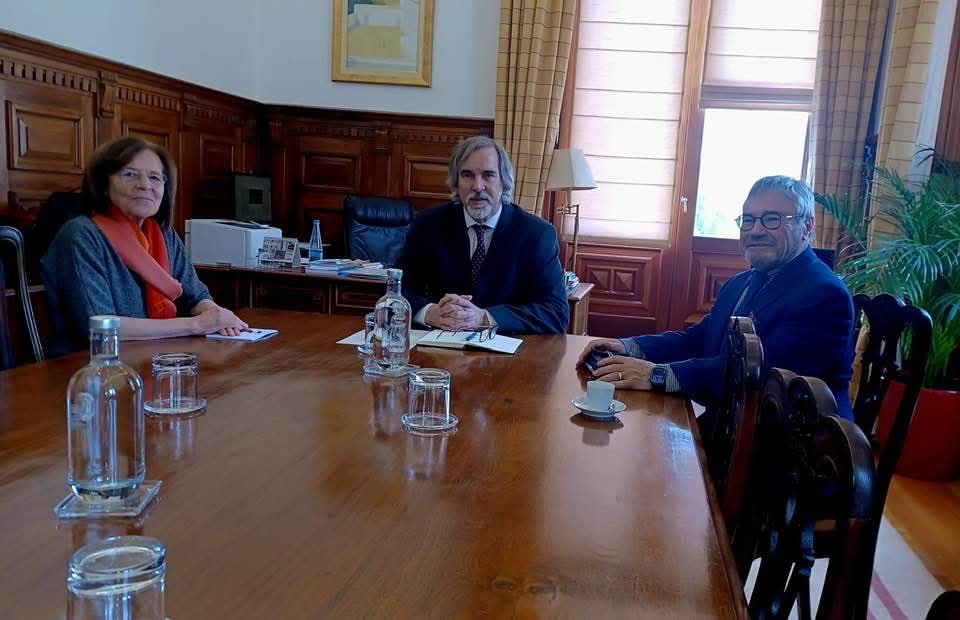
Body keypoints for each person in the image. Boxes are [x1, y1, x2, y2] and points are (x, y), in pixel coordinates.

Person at [577, 175, 856, 419]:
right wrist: (629, 346)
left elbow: (755, 375)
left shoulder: (824, 294)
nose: (755, 231)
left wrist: (655, 374)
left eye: (772, 219)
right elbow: (699, 340)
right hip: (730, 426)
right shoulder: (740, 282)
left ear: (807, 226)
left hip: (787, 450)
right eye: (748, 220)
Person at [41, 137, 247, 355]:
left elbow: (195, 295)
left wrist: (216, 315)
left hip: (155, 356)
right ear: (103, 184)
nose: (145, 185)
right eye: (129, 174)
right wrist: (196, 325)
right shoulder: (81, 235)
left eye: (155, 177)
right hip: (90, 365)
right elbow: (100, 326)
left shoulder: (163, 233)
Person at [400, 136, 569, 334]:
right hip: (438, 344)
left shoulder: (536, 234)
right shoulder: (428, 225)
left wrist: (485, 318)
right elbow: (397, 290)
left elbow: (556, 312)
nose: (477, 186)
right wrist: (428, 312)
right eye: (467, 175)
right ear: (456, 183)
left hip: (511, 349)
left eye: (488, 175)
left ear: (504, 183)